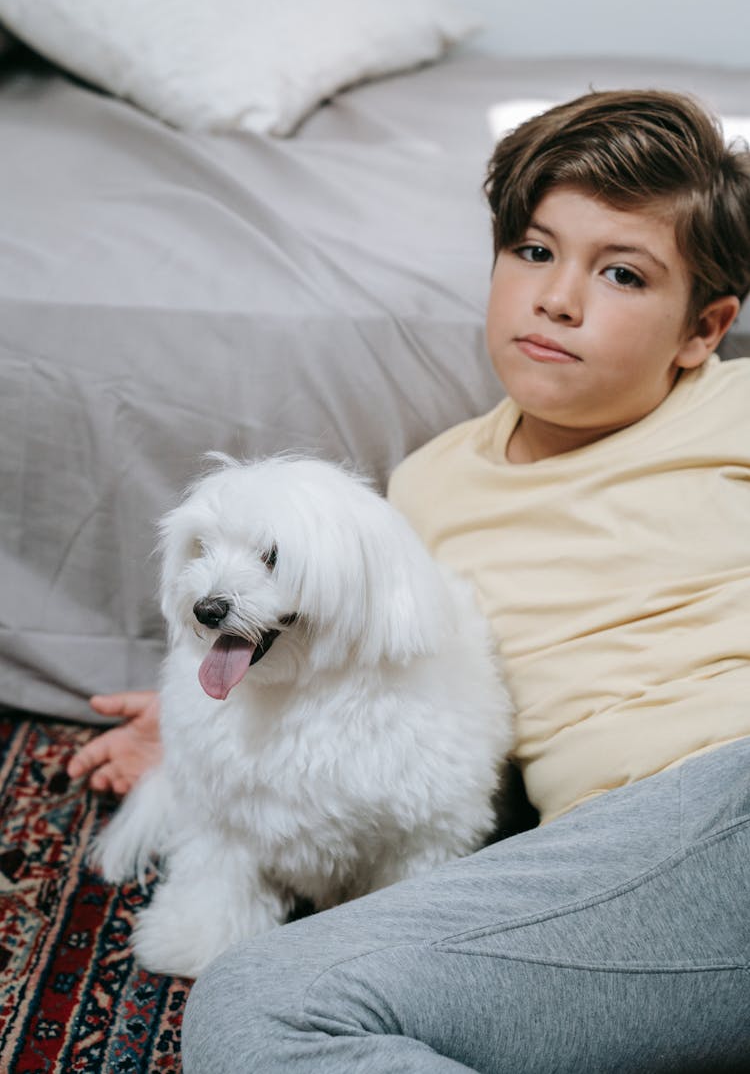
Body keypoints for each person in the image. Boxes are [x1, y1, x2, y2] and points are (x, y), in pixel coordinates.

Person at [75, 90, 750, 1072]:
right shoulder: (422, 491)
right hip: (611, 868)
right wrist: (205, 711)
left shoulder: (731, 409)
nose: (559, 298)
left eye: (621, 274)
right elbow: (374, 668)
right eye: (532, 251)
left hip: (726, 784)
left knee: (265, 1012)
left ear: (703, 330)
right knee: (259, 1003)